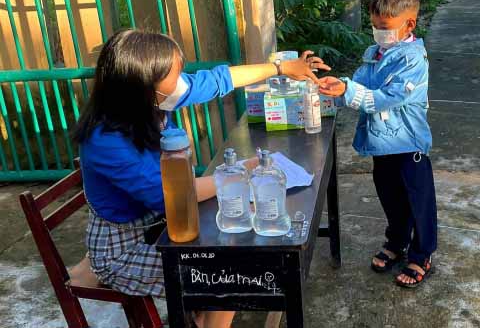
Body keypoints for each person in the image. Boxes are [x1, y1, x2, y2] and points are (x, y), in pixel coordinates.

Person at [73, 29, 330, 328]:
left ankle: (200, 312)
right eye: (175, 73)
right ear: (142, 85)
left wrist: (282, 67)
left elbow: (219, 80)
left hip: (159, 222)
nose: (183, 81)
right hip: (124, 248)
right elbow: (174, 195)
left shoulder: (151, 103)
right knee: (230, 274)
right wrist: (242, 170)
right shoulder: (106, 140)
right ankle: (207, 319)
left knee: (229, 241)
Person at [319, 0, 437, 289]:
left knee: (417, 201)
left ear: (409, 24)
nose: (378, 33)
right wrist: (339, 85)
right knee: (390, 196)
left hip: (408, 143)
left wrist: (349, 90)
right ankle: (396, 241)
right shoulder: (376, 51)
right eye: (374, 27)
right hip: (381, 142)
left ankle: (421, 254)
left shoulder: (413, 59)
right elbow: (360, 82)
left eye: (384, 27)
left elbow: (384, 97)